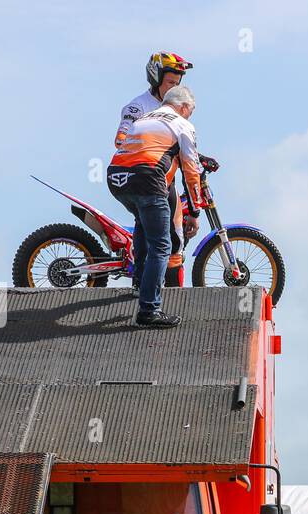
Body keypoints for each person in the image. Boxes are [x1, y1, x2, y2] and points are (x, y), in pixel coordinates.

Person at [106, 85, 202, 327]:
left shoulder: (144, 118)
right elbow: (192, 171)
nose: (190, 116)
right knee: (162, 244)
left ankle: (139, 282)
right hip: (146, 180)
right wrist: (195, 209)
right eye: (190, 111)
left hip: (116, 179)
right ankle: (149, 310)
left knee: (142, 221)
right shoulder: (183, 124)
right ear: (183, 107)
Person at [116, 51, 195, 284]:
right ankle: (146, 289)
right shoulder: (137, 106)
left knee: (174, 238)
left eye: (177, 84)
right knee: (166, 238)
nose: (173, 88)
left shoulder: (175, 105)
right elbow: (121, 138)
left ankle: (165, 291)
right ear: (155, 78)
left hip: (165, 177)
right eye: (170, 82)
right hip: (143, 174)